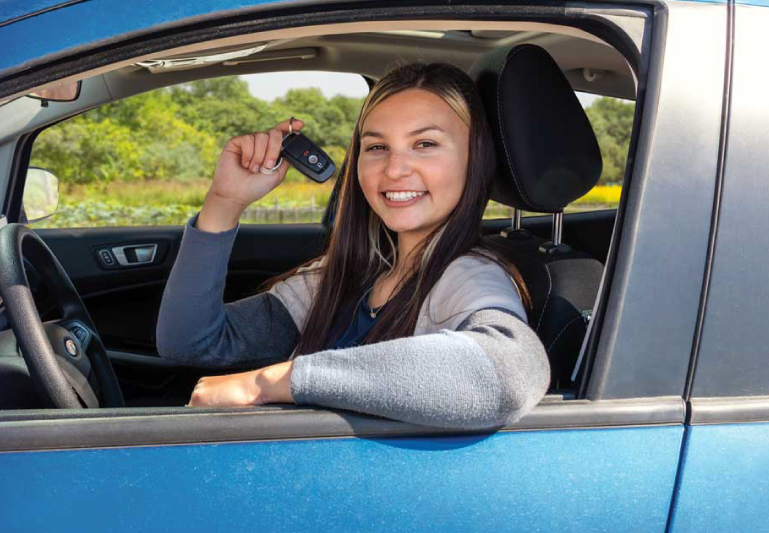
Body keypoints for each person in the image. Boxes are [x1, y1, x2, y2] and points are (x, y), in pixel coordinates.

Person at [155, 62, 549, 429]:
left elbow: (509, 374)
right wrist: (225, 203)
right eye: (377, 147)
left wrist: (268, 382)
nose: (394, 169)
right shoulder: (345, 276)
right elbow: (190, 343)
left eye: (425, 144)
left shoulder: (468, 277)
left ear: (474, 159)